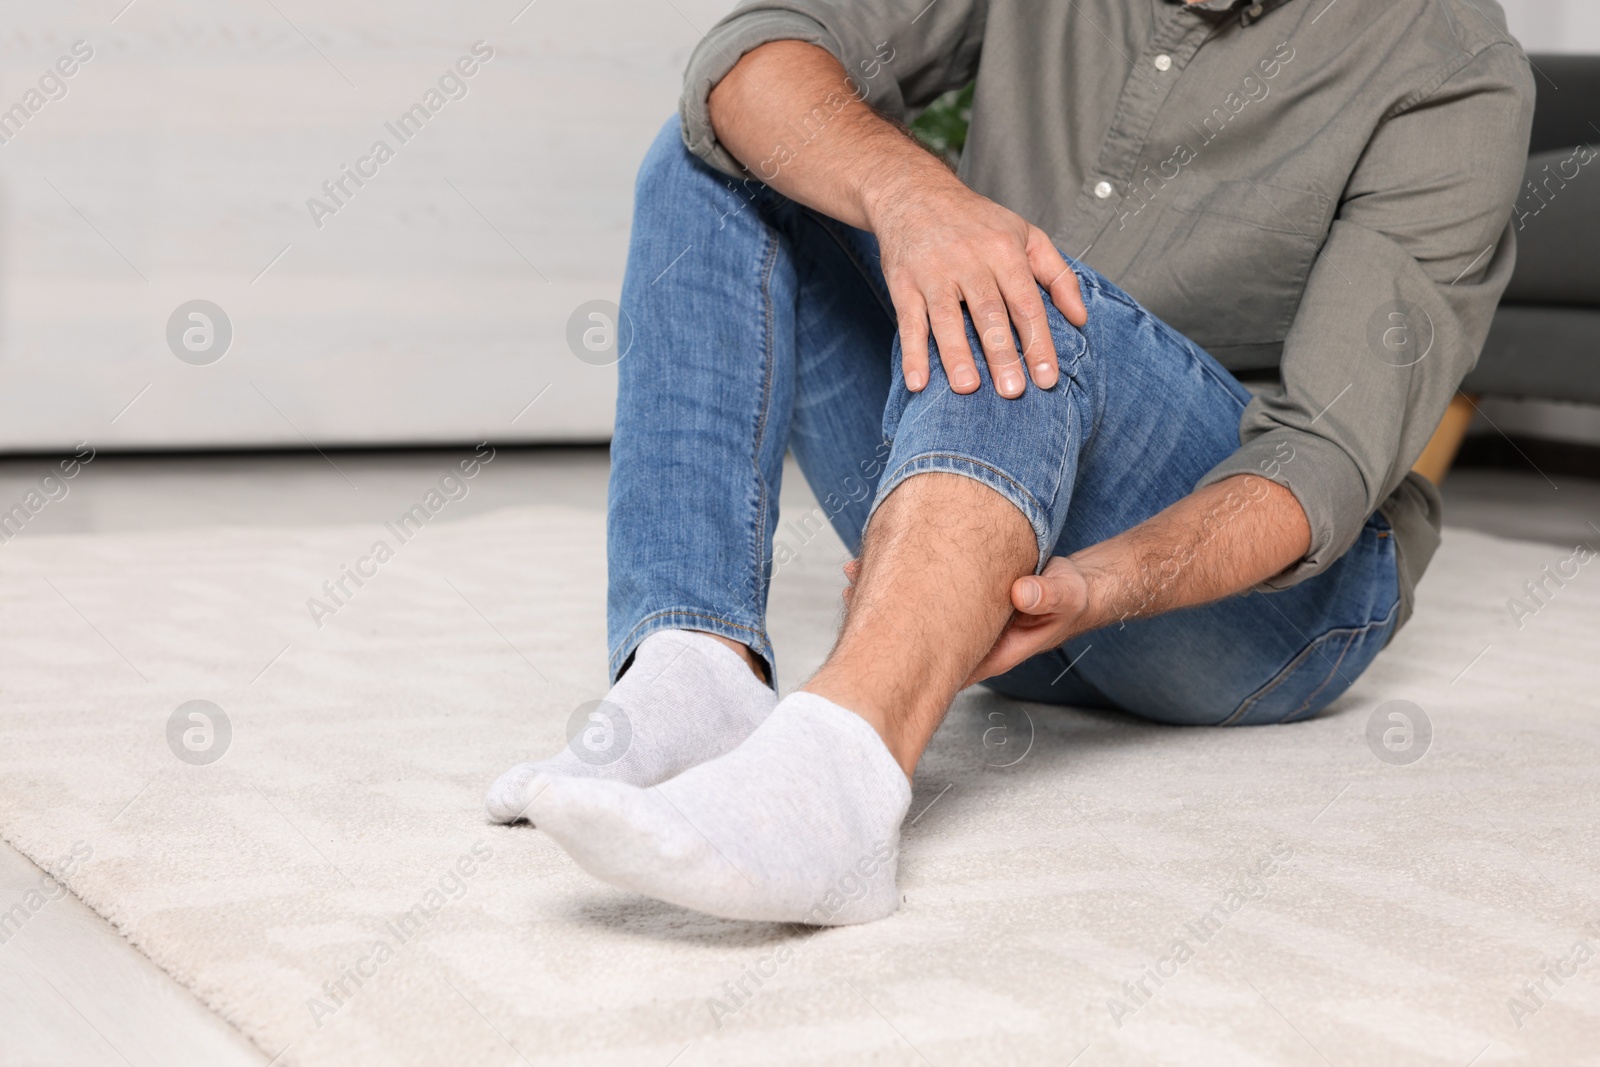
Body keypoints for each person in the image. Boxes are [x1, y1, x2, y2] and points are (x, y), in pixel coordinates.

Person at [486, 0, 1533, 924]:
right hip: (982, 501)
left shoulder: (1449, 59)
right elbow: (758, 54)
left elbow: (1320, 461)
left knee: (1025, 295)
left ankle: (841, 785)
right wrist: (913, 198)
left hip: (1248, 602)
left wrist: (1097, 586)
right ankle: (698, 670)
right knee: (718, 151)